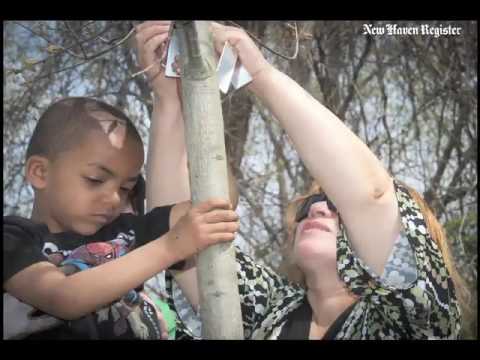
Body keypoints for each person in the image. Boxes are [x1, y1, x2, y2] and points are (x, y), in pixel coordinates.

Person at [135, 21, 466, 339]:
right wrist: (168, 102)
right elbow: (175, 233)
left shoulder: (415, 321)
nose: (317, 211)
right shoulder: (267, 312)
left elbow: (372, 195)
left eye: (338, 207)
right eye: (310, 205)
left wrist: (259, 74)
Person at [3, 97, 239, 339]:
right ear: (40, 172)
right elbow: (62, 297)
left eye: (126, 188)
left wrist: (198, 131)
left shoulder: (127, 232)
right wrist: (171, 246)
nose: (115, 199)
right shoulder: (14, 238)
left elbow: (217, 205)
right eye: (96, 179)